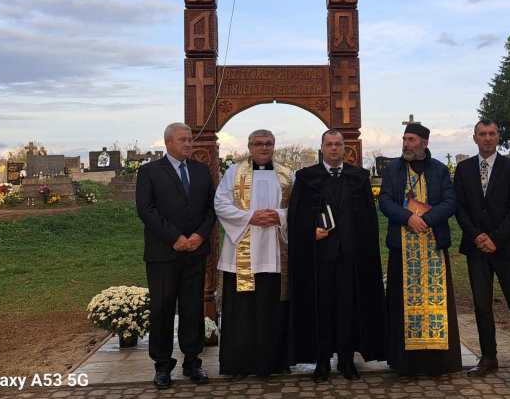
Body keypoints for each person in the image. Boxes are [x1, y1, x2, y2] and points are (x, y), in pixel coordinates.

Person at [287, 129, 386, 383]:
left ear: (344, 148)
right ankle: (322, 361)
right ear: (322, 148)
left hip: (351, 256)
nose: (333, 149)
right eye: (329, 144)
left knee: (348, 307)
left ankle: (346, 359)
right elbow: (296, 216)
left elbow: (368, 218)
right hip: (319, 256)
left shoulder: (359, 177)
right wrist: (311, 231)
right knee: (321, 306)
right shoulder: (307, 177)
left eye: (338, 144)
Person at [453, 119, 510, 387]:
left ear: (498, 137)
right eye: (482, 134)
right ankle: (489, 357)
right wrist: (477, 236)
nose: (487, 138)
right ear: (474, 138)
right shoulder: (464, 169)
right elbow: (459, 207)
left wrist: (496, 239)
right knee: (481, 306)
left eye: (491, 134)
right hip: (476, 249)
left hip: (506, 248)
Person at [135, 122, 216, 390]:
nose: (188, 144)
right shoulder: (149, 172)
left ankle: (193, 362)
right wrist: (176, 238)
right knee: (162, 309)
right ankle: (162, 365)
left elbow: (211, 208)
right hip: (163, 254)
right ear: (168, 142)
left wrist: (199, 236)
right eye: (182, 140)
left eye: (190, 140)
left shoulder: (201, 171)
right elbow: (146, 210)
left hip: (195, 251)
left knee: (193, 309)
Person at [378, 122, 462, 376]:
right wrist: (407, 218)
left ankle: (438, 362)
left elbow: (451, 201)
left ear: (424, 143)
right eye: (404, 139)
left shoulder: (438, 169)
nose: (406, 144)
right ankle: (405, 364)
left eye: (412, 140)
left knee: (436, 303)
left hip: (433, 246)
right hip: (402, 247)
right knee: (401, 302)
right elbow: (384, 200)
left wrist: (426, 219)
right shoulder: (393, 169)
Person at [215, 129, 294, 378]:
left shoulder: (286, 173)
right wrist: (250, 217)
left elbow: (299, 205)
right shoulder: (234, 172)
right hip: (243, 251)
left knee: (272, 308)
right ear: (249, 147)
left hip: (275, 248)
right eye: (258, 144)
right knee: (242, 311)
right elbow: (220, 204)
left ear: (274, 146)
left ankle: (274, 362)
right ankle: (239, 364)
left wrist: (279, 216)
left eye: (268, 144)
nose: (264, 148)